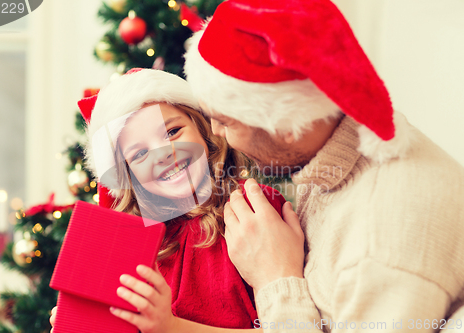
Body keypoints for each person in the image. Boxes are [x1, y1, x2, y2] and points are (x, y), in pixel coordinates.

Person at [183, 0, 464, 332]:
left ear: (286, 125)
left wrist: (275, 279)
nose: (216, 133)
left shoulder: (380, 248)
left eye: (226, 121)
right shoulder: (333, 150)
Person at [50, 68, 294, 333]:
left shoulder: (251, 209)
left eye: (172, 132)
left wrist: (171, 327)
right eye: (140, 153)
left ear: (203, 129)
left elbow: (292, 325)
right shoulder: (131, 246)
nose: (163, 154)